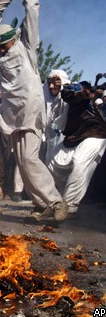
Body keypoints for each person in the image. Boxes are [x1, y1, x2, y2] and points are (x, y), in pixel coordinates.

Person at [0, 0, 67, 221]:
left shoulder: (26, 47)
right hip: (12, 115)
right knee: (21, 162)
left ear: (13, 39)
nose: (0, 48)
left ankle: (55, 200)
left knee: (30, 158)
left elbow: (32, 18)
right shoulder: (1, 48)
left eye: (3, 44)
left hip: (31, 111)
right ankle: (42, 205)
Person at [47, 82, 106, 218]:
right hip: (74, 137)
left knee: (79, 163)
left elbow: (79, 94)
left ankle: (70, 206)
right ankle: (61, 200)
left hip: (95, 134)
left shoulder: (84, 96)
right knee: (51, 160)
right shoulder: (57, 102)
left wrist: (67, 88)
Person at [43, 70, 70, 165]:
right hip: (49, 143)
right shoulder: (46, 101)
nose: (51, 87)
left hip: (65, 147)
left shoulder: (68, 100)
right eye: (49, 83)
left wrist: (65, 88)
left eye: (55, 83)